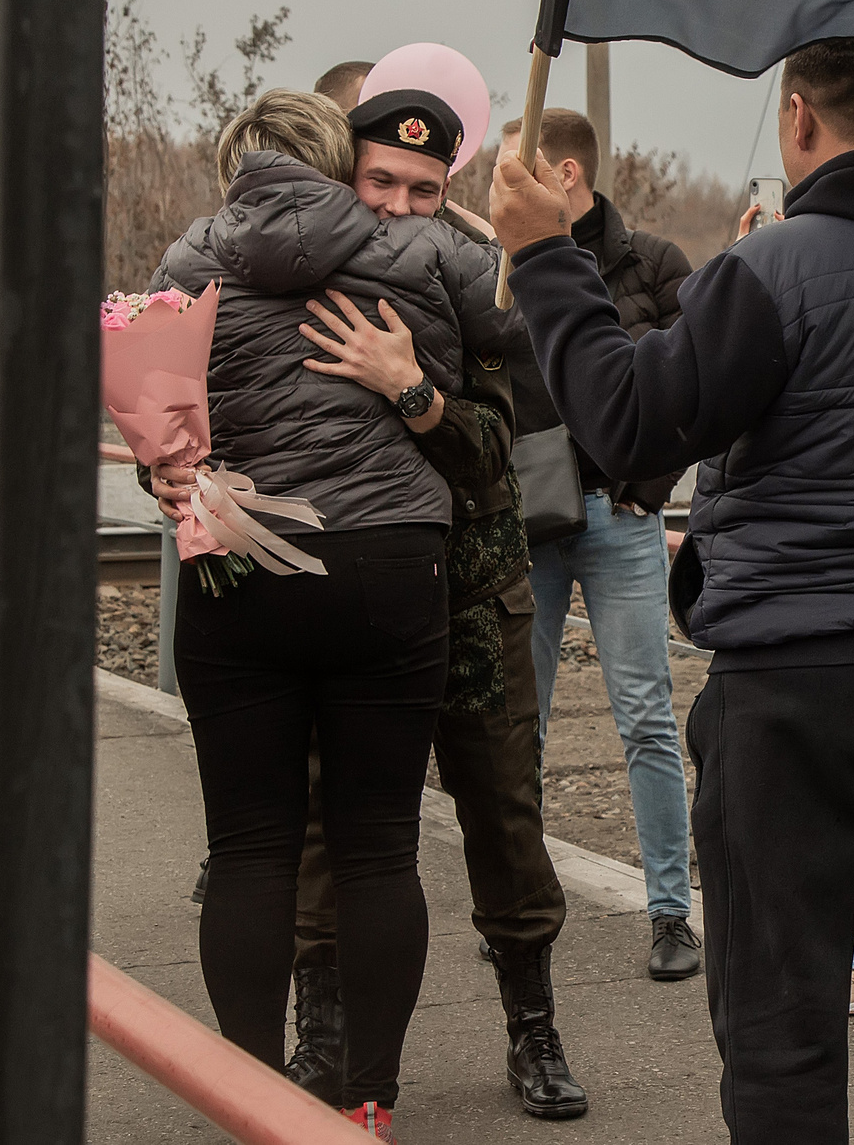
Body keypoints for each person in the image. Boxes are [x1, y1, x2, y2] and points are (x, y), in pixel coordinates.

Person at [489, 27, 854, 1144]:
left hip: (797, 692)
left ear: (800, 117)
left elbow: (628, 426)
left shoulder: (771, 272)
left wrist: (545, 260)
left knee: (783, 1031)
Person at [146, 89, 495, 1142]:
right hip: (391, 565)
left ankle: (247, 1100)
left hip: (241, 562)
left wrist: (173, 478)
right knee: (379, 847)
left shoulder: (189, 259)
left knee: (249, 848)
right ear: (342, 167)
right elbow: (527, 343)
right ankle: (367, 1102)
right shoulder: (428, 249)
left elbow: (153, 414)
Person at [282, 78, 589, 1122]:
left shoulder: (473, 290)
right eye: (381, 182)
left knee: (504, 815)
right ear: (344, 178)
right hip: (348, 601)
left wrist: (411, 391)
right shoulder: (295, 277)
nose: (400, 207)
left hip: (468, 597)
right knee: (333, 821)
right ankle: (322, 1040)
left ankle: (533, 1027)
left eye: (423, 188)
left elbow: (500, 450)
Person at [499, 106, 700, 982]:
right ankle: (518, 907)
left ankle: (671, 913)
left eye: (519, 171)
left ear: (565, 175)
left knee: (648, 718)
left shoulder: (655, 264)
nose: (503, 188)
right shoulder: (498, 266)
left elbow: (693, 388)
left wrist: (645, 485)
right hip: (531, 519)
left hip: (621, 520)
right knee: (521, 724)